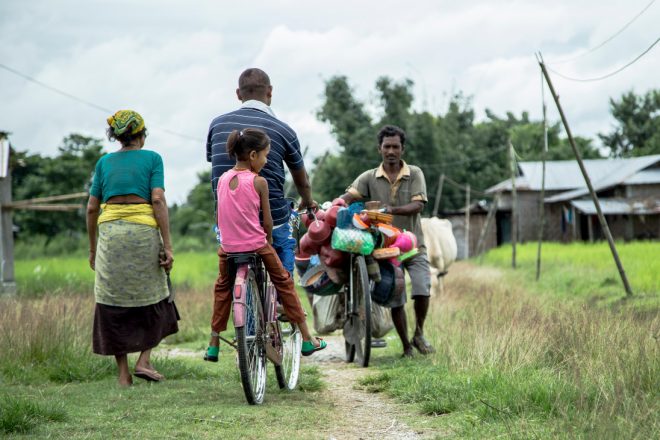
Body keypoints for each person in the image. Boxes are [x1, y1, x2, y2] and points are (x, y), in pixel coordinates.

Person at [204, 128, 325, 361]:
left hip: (228, 249)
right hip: (256, 245)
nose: (266, 160)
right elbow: (267, 221)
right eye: (265, 155)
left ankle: (213, 344)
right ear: (252, 155)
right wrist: (267, 240)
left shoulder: (222, 180)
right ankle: (308, 340)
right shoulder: (259, 182)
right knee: (284, 282)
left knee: (222, 289)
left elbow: (220, 216)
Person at [87, 110, 179, 387]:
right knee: (156, 296)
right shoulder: (152, 159)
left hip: (111, 237)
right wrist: (168, 246)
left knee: (113, 302)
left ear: (116, 137)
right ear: (141, 134)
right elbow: (158, 201)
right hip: (142, 235)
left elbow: (92, 207)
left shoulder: (104, 162)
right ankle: (144, 359)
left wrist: (93, 250)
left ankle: (124, 374)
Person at [205, 68, 317, 275]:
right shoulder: (283, 130)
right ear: (270, 91)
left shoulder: (217, 125)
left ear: (238, 94)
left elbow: (217, 165)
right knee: (284, 247)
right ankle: (284, 303)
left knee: (225, 276)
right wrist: (308, 202)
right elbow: (303, 183)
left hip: (228, 222)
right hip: (269, 221)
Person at [341, 125, 434, 358]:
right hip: (386, 249)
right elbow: (349, 195)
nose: (391, 151)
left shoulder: (414, 173)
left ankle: (419, 333)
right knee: (396, 297)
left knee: (422, 289)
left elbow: (419, 205)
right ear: (379, 149)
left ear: (402, 149)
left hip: (414, 246)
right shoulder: (369, 177)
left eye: (395, 146)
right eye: (387, 147)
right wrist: (336, 205)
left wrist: (391, 210)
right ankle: (406, 347)